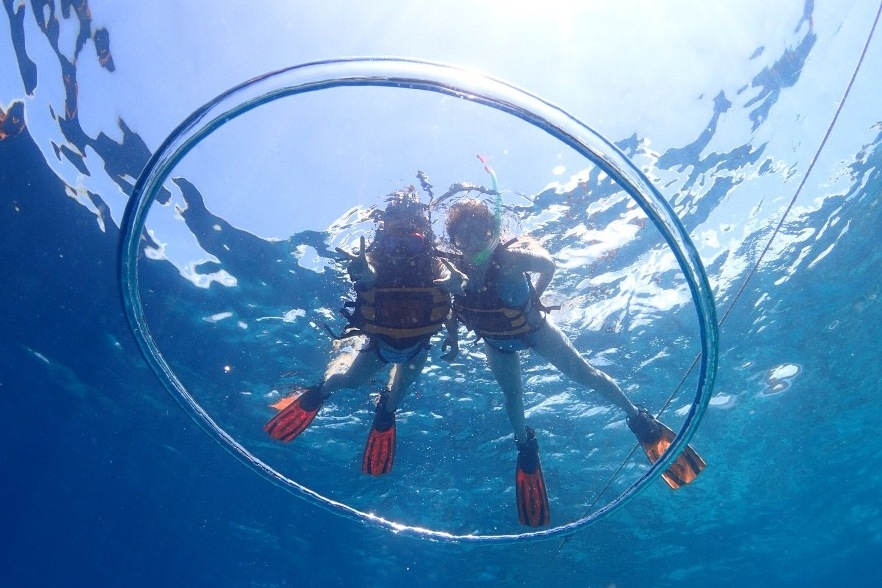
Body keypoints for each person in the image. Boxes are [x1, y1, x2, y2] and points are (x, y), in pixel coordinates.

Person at [443, 198, 705, 527]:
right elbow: (454, 304)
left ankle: (638, 418)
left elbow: (549, 265)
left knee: (584, 373)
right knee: (513, 396)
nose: (472, 243)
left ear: (491, 231)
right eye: (462, 236)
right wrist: (452, 338)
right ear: (454, 242)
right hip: (497, 344)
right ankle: (525, 446)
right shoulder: (454, 270)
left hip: (535, 329)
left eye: (478, 232)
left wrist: (536, 297)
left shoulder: (511, 256)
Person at [264, 188, 465, 475]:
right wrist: (362, 271)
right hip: (379, 345)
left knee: (397, 396)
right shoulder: (374, 258)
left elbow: (448, 296)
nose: (402, 249)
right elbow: (368, 270)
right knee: (347, 381)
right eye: (394, 241)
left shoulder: (436, 263)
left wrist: (454, 326)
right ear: (384, 233)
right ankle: (319, 392)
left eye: (411, 241)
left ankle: (385, 409)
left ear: (423, 235)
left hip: (418, 347)